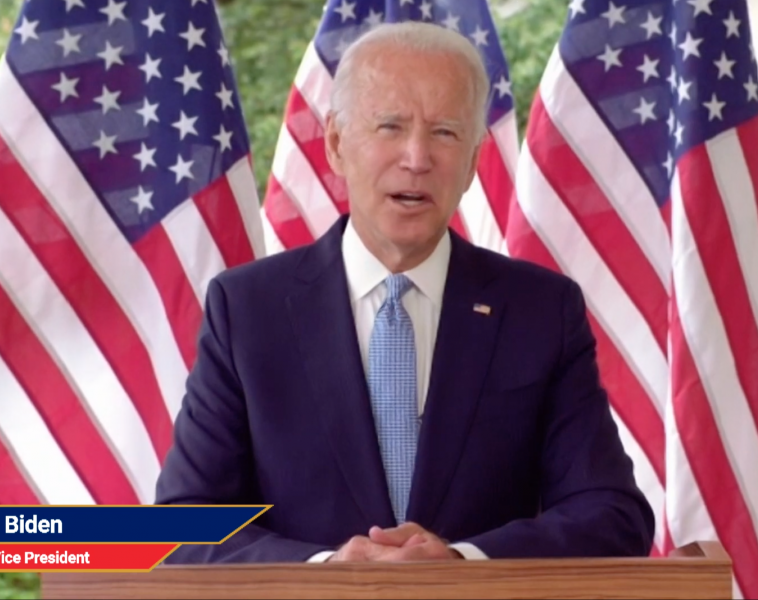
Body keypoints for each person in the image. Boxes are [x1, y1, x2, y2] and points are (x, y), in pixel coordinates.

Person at [154, 21, 655, 563]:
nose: (417, 158)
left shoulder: (540, 311)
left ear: (473, 160)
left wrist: (462, 562)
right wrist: (324, 573)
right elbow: (184, 524)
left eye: (444, 132)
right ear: (337, 143)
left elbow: (611, 516)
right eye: (390, 126)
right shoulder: (247, 309)